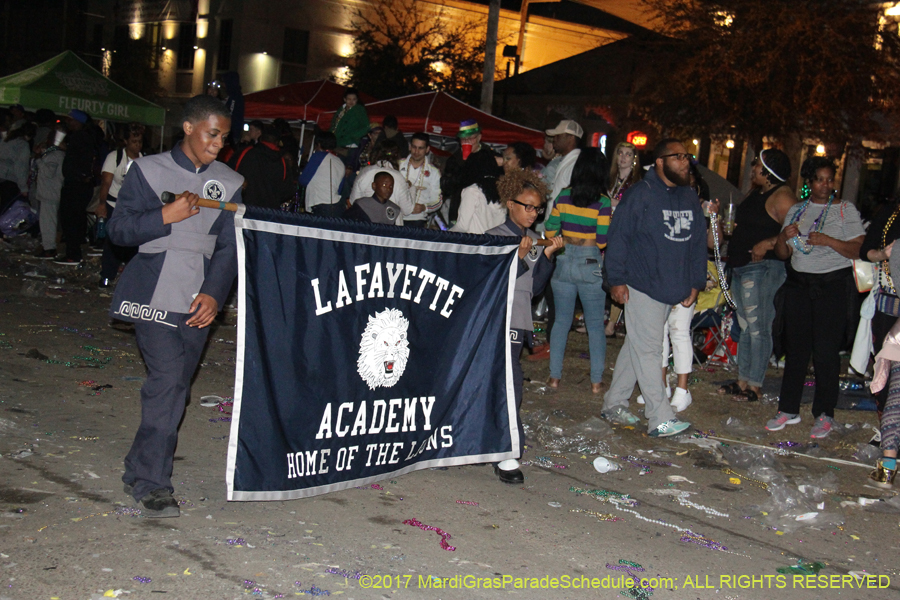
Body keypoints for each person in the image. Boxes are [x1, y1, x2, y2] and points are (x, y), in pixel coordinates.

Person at [107, 95, 244, 517]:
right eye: (212, 133)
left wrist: (214, 295)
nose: (219, 143)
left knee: (175, 390)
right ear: (188, 127)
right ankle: (153, 484)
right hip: (153, 293)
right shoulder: (147, 170)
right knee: (167, 383)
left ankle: (137, 465)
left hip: (198, 300)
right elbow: (119, 230)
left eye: (224, 136)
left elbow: (228, 248)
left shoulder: (232, 181)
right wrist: (164, 214)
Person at [599, 139, 707, 438]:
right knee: (649, 349)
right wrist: (616, 280)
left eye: (688, 157)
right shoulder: (640, 195)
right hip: (641, 282)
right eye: (679, 157)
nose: (686, 162)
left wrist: (695, 282)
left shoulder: (688, 197)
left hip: (671, 285)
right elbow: (617, 239)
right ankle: (659, 416)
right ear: (660, 162)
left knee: (637, 344)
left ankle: (614, 402)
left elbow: (698, 243)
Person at [768, 156, 865, 438]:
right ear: (809, 183)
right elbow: (783, 254)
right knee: (796, 350)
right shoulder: (797, 210)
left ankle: (824, 413)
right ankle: (788, 409)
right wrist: (784, 239)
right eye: (820, 179)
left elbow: (859, 249)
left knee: (825, 352)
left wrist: (829, 241)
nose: (826, 185)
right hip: (799, 285)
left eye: (830, 179)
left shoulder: (845, 210)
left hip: (832, 286)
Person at [487, 169, 564, 483]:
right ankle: (504, 450)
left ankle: (503, 450)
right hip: (495, 319)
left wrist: (545, 255)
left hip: (517, 318)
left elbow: (532, 288)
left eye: (538, 208)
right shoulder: (495, 236)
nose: (534, 213)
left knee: (508, 382)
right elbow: (493, 282)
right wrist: (519, 257)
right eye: (527, 206)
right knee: (506, 382)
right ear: (509, 203)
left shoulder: (532, 240)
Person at [718, 149, 796, 402]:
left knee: (758, 328)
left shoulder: (782, 196)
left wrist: (769, 243)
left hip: (762, 269)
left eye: (756, 165)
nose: (752, 169)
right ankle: (743, 379)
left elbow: (797, 231)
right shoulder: (758, 193)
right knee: (745, 326)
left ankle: (755, 385)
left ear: (768, 170)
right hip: (743, 266)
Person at [544, 148, 612, 395]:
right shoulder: (603, 202)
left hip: (563, 260)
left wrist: (566, 236)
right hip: (589, 263)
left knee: (561, 322)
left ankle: (554, 378)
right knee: (595, 325)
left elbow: (550, 231)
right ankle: (596, 382)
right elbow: (603, 241)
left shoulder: (563, 196)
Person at [859, 194, 900, 419]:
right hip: (889, 303)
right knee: (885, 367)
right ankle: (888, 430)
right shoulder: (890, 214)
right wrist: (883, 254)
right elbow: (865, 250)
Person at [96, 123, 145, 288]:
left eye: (139, 141)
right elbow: (106, 183)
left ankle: (131, 280)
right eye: (133, 141)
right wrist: (102, 204)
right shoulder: (115, 157)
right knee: (112, 244)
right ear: (126, 141)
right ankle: (107, 276)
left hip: (135, 209)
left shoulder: (145, 160)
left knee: (134, 245)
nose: (137, 145)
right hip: (114, 204)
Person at [604, 141, 642, 337]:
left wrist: (614, 202)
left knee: (619, 275)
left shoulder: (636, 184)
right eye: (621, 153)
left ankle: (613, 324)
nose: (624, 158)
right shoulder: (610, 179)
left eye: (628, 154)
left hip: (624, 233)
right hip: (605, 230)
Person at [55, 109, 97, 265]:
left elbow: (79, 160)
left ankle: (73, 254)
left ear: (78, 122)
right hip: (80, 184)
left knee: (70, 218)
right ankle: (75, 251)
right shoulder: (85, 137)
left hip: (76, 184)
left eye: (71, 120)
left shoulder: (80, 137)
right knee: (76, 218)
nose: (68, 123)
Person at [233, 125, 296, 210]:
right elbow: (288, 190)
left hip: (245, 208)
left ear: (261, 138)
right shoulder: (283, 162)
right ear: (277, 142)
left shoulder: (246, 153)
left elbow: (231, 175)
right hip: (270, 212)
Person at [349, 141, 414, 220]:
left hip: (367, 223)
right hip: (391, 225)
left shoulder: (364, 173)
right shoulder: (398, 177)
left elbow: (354, 202)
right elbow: (407, 210)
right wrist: (412, 189)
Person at [32, 126, 66, 259]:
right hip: (50, 192)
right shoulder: (57, 154)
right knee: (48, 222)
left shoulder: (55, 155)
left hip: (50, 193)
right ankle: (48, 247)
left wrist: (39, 159)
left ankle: (49, 248)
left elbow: (48, 173)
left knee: (48, 223)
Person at [542, 119, 583, 224]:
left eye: (558, 136)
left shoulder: (575, 164)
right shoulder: (565, 161)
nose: (554, 139)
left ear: (571, 138)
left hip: (562, 227)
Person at [398, 133, 442, 227]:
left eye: (420, 148)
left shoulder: (434, 172)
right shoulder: (398, 165)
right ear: (410, 146)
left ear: (427, 149)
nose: (416, 151)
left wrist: (424, 207)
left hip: (418, 219)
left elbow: (438, 200)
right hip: (397, 215)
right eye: (414, 147)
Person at [301, 131, 345, 218]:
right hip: (336, 205)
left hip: (321, 204)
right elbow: (340, 188)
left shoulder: (318, 156)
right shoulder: (340, 162)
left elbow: (303, 180)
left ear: (319, 144)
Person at [0, 121, 34, 202]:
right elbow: (21, 167)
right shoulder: (22, 145)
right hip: (8, 178)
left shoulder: (6, 140)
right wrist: (23, 188)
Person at [329, 87, 369, 154]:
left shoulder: (359, 110)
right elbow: (334, 124)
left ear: (357, 100)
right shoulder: (341, 110)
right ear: (345, 99)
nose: (351, 102)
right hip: (337, 143)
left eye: (354, 99)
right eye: (349, 99)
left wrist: (354, 136)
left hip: (350, 144)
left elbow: (366, 126)